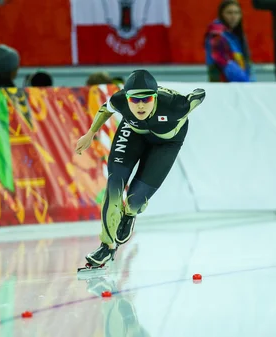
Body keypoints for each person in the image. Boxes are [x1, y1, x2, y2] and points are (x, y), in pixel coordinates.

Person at [75, 70, 206, 269]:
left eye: (146, 99)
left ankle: (130, 213)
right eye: (134, 100)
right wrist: (90, 133)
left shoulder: (175, 105)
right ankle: (107, 245)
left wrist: (197, 93)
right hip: (133, 133)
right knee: (114, 183)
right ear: (127, 98)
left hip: (166, 143)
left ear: (155, 97)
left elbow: (198, 95)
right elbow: (105, 109)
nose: (141, 105)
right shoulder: (119, 100)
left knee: (135, 200)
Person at [204, 0, 254, 82]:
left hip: (241, 84)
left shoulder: (238, 34)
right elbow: (225, 63)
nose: (234, 16)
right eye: (229, 13)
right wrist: (247, 83)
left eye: (237, 13)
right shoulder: (216, 34)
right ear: (221, 14)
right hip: (223, 85)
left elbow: (248, 62)